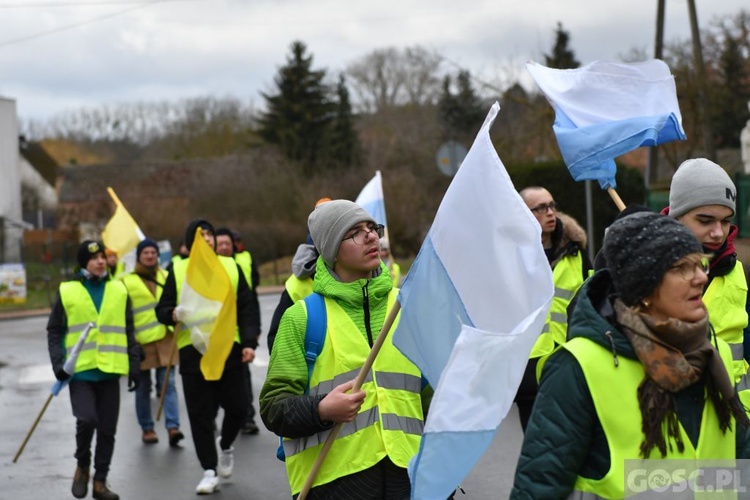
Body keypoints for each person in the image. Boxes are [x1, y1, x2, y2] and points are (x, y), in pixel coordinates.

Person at [511, 213, 750, 499]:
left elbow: (741, 460)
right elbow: (539, 487)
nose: (701, 277)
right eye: (682, 268)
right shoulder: (579, 366)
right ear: (644, 287)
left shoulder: (715, 353)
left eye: (699, 264)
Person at [260, 200, 427, 499]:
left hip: (410, 475)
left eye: (372, 229)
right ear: (332, 249)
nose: (372, 237)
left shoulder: (407, 305)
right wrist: (321, 409)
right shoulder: (302, 318)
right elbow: (274, 408)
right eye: (355, 233)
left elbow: (431, 394)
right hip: (334, 483)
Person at [155, 219, 261, 495]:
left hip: (229, 348)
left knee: (238, 407)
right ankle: (209, 471)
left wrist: (249, 341)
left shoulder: (231, 266)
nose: (207, 239)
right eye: (201, 235)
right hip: (192, 351)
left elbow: (247, 308)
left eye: (210, 234)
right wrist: (172, 314)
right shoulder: (177, 269)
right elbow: (162, 308)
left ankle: (225, 444)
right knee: (200, 414)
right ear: (191, 240)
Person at [47, 240, 140, 500]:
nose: (100, 261)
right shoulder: (68, 291)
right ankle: (82, 465)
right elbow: (54, 331)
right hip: (80, 372)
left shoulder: (119, 290)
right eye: (94, 258)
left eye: (102, 256)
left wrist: (134, 366)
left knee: (108, 430)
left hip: (111, 371)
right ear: (83, 262)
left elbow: (129, 331)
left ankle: (100, 482)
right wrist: (58, 365)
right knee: (87, 419)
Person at [663, 158, 749, 404]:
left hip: (733, 420)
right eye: (705, 220)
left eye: (725, 221)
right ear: (676, 216)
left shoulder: (736, 270)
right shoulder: (644, 268)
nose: (718, 232)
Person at [513, 186, 591, 431]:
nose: (550, 213)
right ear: (523, 213)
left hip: (570, 357)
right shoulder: (511, 257)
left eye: (552, 205)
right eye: (541, 208)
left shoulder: (576, 253)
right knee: (537, 439)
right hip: (529, 367)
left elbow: (592, 301)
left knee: (572, 434)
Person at [119, 238, 184, 446]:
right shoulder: (126, 282)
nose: (150, 256)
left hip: (166, 338)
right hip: (142, 343)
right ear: (138, 256)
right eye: (145, 253)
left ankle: (173, 427)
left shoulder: (167, 276)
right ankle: (147, 428)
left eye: (153, 253)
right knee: (143, 387)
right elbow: (124, 314)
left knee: (169, 384)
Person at [214, 227, 261, 436]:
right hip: (214, 340)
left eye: (227, 243)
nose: (224, 247)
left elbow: (249, 302)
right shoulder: (208, 270)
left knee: (243, 380)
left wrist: (251, 335)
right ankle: (215, 418)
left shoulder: (240, 265)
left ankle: (247, 418)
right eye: (220, 243)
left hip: (237, 337)